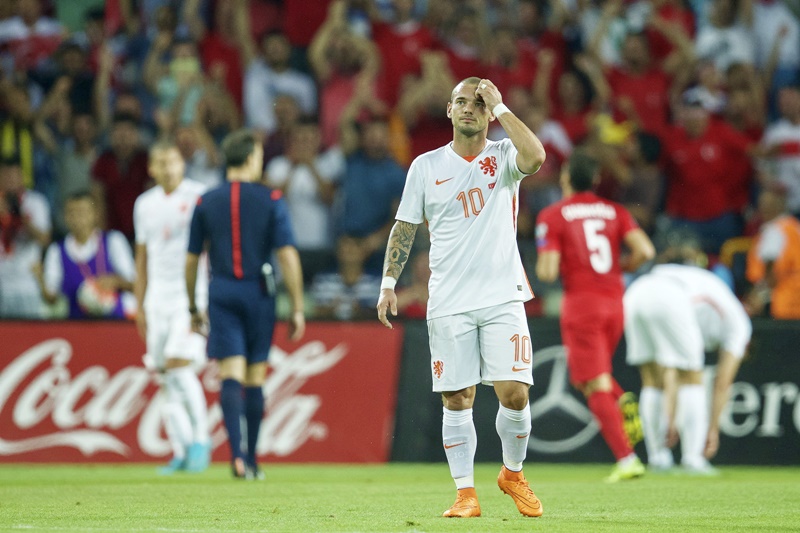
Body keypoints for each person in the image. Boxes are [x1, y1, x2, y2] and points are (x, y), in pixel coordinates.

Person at [377, 77, 546, 518]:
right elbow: (405, 227)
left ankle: (512, 473)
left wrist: (502, 107)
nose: (470, 107)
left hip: (502, 295)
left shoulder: (504, 155)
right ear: (449, 110)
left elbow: (537, 156)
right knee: (457, 397)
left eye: (479, 102)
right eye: (461, 102)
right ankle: (465, 494)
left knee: (515, 394)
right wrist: (389, 283)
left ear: (489, 112)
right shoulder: (426, 166)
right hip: (449, 299)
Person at [186, 129, 306, 479]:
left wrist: (192, 307)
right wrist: (297, 307)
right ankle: (252, 460)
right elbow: (287, 255)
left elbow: (191, 260)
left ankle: (236, 456)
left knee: (230, 374)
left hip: (222, 292)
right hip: (259, 293)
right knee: (255, 377)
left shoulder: (206, 201)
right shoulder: (270, 198)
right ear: (252, 158)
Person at [535, 150, 655, 482]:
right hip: (615, 302)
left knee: (594, 380)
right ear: (596, 180)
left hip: (582, 305)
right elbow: (645, 250)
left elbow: (547, 272)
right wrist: (622, 266)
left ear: (565, 178)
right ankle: (621, 399)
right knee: (587, 378)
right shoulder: (615, 211)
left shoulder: (553, 215)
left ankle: (627, 459)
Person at [624, 261, 752, 474]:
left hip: (636, 293)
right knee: (692, 379)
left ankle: (658, 457)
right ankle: (693, 458)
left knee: (652, 381)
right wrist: (713, 429)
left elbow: (671, 371)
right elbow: (722, 383)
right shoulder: (741, 328)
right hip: (669, 295)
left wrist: (671, 417)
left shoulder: (709, 311)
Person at [133, 141, 210, 474]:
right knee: (165, 376)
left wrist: (208, 298)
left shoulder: (198, 196)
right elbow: (142, 258)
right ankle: (181, 451)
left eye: (173, 161)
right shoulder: (144, 204)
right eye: (161, 162)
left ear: (183, 164)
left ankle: (201, 440)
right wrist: (140, 305)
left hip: (189, 296)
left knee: (178, 365)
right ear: (151, 168)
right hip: (157, 299)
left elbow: (212, 247)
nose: (168, 168)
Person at [37, 191, 134, 319]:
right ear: (65, 217)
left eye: (82, 212)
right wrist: (40, 278)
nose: (78, 218)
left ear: (95, 214)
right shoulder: (56, 250)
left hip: (114, 322)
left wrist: (115, 281)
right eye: (72, 213)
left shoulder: (113, 241)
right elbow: (51, 297)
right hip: (77, 324)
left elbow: (134, 284)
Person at [745, 186, 800, 319]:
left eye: (768, 204)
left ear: (780, 205)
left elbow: (769, 276)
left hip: (783, 301)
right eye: (762, 204)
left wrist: (755, 298)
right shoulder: (794, 226)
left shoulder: (774, 231)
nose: (763, 208)